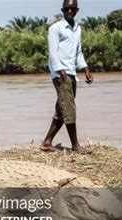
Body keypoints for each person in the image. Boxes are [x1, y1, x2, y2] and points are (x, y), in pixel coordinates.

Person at [40, 0, 93, 154]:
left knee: (62, 109)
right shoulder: (55, 28)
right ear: (62, 10)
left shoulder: (77, 28)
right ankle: (75, 145)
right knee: (69, 109)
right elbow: (53, 52)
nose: (70, 11)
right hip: (61, 74)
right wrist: (61, 72)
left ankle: (47, 142)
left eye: (73, 8)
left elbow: (78, 53)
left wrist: (86, 69)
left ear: (77, 10)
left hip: (72, 73)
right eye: (67, 8)